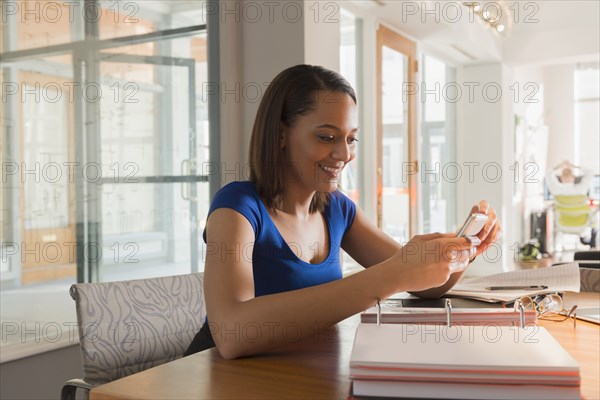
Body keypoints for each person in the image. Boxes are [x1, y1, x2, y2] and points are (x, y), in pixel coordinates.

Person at [185, 65, 501, 359]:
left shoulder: (338, 208)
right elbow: (231, 333)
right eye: (326, 137)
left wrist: (463, 250)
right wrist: (392, 275)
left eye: (351, 139)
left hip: (294, 373)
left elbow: (427, 285)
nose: (343, 154)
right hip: (216, 380)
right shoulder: (237, 207)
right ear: (281, 134)